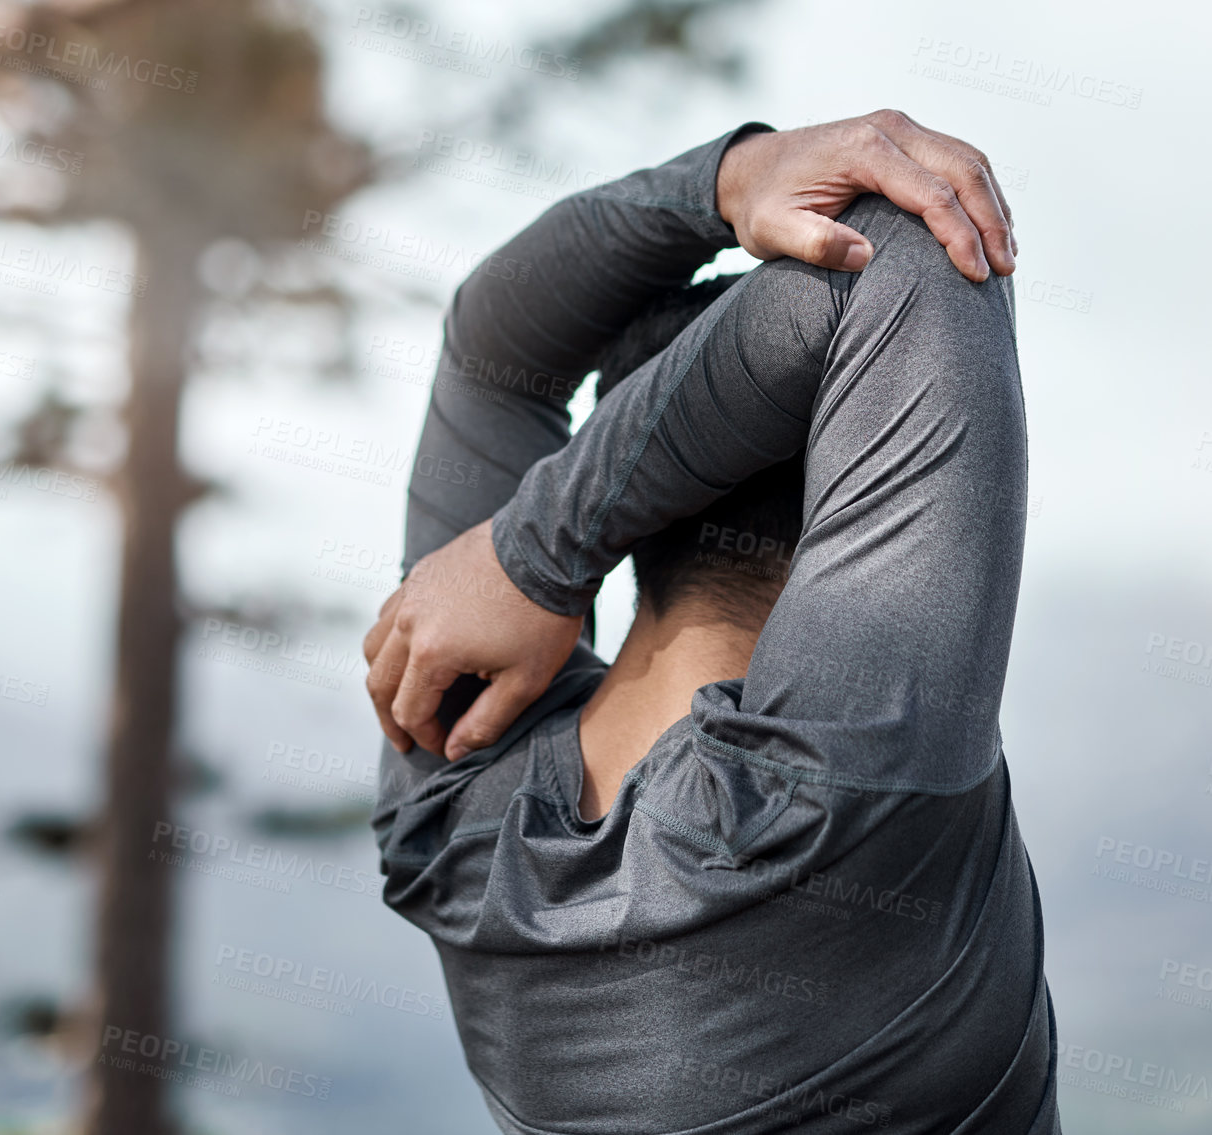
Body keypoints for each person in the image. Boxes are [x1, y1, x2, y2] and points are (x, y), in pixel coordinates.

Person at [364, 109, 1059, 1133]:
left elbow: (491, 348)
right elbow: (905, 251)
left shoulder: (453, 817)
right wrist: (536, 543)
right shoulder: (845, 782)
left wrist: (735, 183)